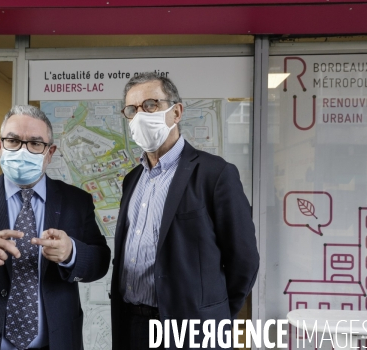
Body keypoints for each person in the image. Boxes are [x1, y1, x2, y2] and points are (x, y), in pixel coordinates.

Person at [111, 72, 260, 350]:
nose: (141, 116)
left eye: (151, 105)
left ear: (176, 112)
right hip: (133, 326)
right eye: (132, 110)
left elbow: (244, 260)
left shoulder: (215, 174)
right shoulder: (132, 180)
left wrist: (215, 316)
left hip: (191, 331)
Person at [0, 104, 111, 350]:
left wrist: (71, 254)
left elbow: (99, 262)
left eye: (36, 144)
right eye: (13, 141)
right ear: (0, 145)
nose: (23, 151)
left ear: (50, 152)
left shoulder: (76, 201)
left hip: (56, 342)